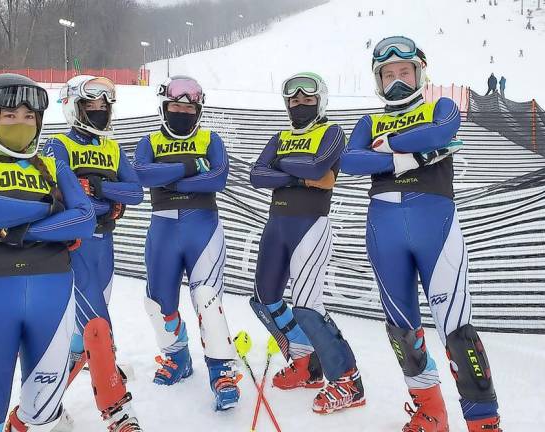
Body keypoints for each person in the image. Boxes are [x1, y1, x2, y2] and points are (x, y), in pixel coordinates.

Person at [341, 35, 502, 432]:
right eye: (389, 74)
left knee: (457, 331)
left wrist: (391, 150)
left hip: (436, 224)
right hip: (384, 229)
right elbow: (349, 160)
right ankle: (431, 414)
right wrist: (415, 158)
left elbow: (440, 132)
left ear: (419, 73)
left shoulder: (438, 106)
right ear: (379, 81)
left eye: (404, 72)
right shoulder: (368, 121)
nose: (397, 81)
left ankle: (484, 423)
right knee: (402, 331)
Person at [0, 73, 96, 431]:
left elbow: (85, 219)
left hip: (53, 296)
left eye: (29, 116)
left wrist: (10, 230)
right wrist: (51, 208)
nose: (21, 124)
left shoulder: (53, 165)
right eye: (9, 116)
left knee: (43, 417)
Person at [249, 72, 365, 415]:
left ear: (320, 100)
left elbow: (319, 168)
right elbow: (257, 174)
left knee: (307, 305)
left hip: (310, 225)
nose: (299, 103)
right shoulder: (280, 135)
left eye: (307, 98)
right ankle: (306, 365)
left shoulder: (331, 131)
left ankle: (348, 380)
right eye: (294, 99)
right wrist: (302, 176)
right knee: (265, 298)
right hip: (277, 224)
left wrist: (283, 169)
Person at [132, 75, 241, 411]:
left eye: (187, 107)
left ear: (198, 109)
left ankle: (221, 370)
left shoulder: (211, 138)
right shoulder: (149, 140)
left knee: (207, 298)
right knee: (158, 303)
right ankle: (178, 359)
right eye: (175, 106)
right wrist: (192, 166)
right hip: (163, 227)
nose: (181, 112)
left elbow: (218, 178)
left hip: (202, 226)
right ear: (164, 108)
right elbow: (142, 175)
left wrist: (167, 175)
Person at [43, 75, 144, 431]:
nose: (99, 112)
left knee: (81, 337)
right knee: (98, 325)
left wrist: (101, 189)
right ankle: (117, 412)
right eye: (91, 106)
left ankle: (39, 410)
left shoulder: (113, 148)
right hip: (75, 246)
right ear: (75, 107)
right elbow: (68, 197)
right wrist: (108, 201)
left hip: (105, 246)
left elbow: (136, 193)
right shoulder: (57, 145)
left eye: (104, 107)